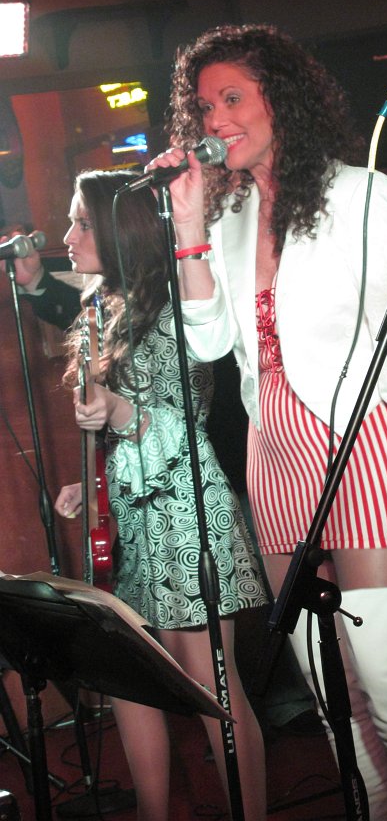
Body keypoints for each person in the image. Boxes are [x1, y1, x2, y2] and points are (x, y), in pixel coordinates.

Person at [146, 23, 387, 821]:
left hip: (362, 447)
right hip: (276, 458)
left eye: (232, 97)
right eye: (204, 106)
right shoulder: (227, 221)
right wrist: (188, 230)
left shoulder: (361, 194)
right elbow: (210, 344)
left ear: (280, 99)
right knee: (334, 693)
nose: (216, 119)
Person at [53, 169, 268, 821]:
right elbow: (124, 430)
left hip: (185, 514)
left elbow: (182, 424)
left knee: (211, 689)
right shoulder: (101, 309)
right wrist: (92, 483)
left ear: (119, 229)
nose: (68, 236)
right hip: (132, 519)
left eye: (81, 222)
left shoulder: (174, 306)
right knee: (130, 680)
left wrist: (118, 411)